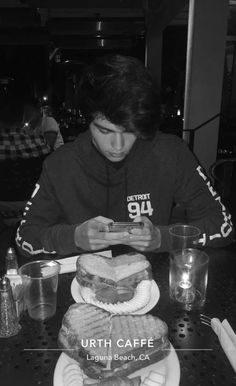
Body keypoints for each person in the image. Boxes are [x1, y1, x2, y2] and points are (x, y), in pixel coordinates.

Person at [16, 54, 234, 257]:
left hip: (154, 284)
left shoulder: (171, 153)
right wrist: (74, 237)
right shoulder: (60, 165)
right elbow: (25, 237)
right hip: (79, 286)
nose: (118, 146)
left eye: (129, 130)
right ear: (88, 121)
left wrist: (162, 238)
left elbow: (223, 226)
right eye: (104, 130)